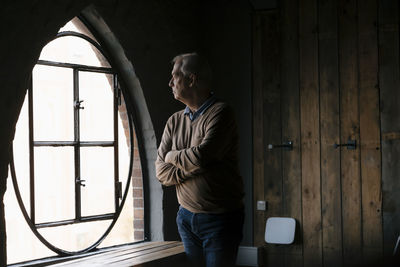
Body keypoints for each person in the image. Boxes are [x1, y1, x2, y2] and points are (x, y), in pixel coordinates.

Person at [155, 52, 244, 267]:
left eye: (174, 76)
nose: (170, 83)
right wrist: (196, 166)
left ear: (191, 79)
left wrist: (172, 156)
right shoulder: (174, 121)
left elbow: (202, 157)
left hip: (220, 220)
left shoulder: (221, 113)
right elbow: (161, 172)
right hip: (185, 217)